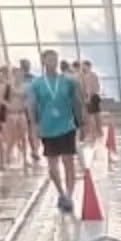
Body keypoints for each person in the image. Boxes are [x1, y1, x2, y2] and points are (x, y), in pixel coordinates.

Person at [25, 48, 83, 214]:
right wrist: (34, 125)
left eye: (55, 59)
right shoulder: (36, 84)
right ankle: (61, 192)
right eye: (50, 59)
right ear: (43, 62)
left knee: (68, 161)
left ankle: (69, 196)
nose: (53, 62)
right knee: (52, 165)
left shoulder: (68, 81)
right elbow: (31, 105)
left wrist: (81, 123)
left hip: (66, 126)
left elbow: (77, 103)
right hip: (47, 127)